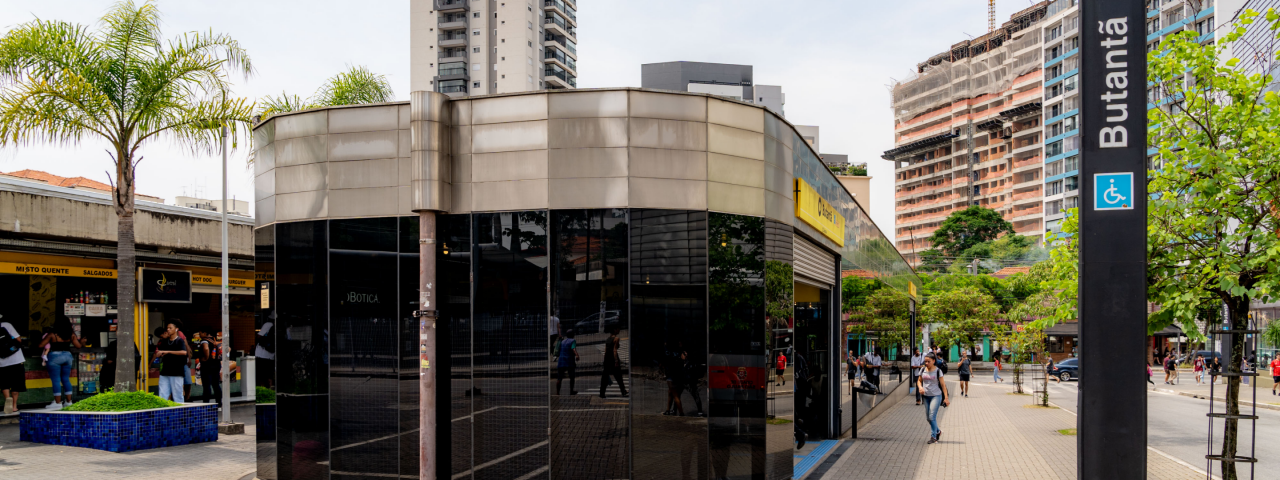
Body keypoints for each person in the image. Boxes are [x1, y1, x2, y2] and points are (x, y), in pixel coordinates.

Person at [38, 317, 82, 408]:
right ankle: (69, 402)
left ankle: (57, 403)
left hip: (55, 357)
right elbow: (78, 346)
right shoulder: (71, 334)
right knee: (66, 379)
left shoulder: (52, 334)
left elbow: (41, 345)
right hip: (67, 356)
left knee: (56, 380)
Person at [917, 353, 950, 444]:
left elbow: (943, 385)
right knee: (928, 418)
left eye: (929, 361)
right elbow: (919, 381)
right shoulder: (923, 369)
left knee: (932, 416)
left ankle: (933, 436)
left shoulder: (938, 371)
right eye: (925, 361)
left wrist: (946, 398)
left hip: (936, 396)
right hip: (926, 396)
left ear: (934, 361)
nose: (926, 363)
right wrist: (920, 387)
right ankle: (938, 431)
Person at [155, 321, 190, 403]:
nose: (168, 330)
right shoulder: (164, 341)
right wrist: (159, 354)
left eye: (170, 328)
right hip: (165, 370)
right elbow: (160, 351)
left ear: (176, 329)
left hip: (176, 371)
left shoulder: (179, 340)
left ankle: (180, 412)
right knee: (162, 393)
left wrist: (168, 352)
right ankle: (162, 411)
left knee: (178, 393)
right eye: (167, 328)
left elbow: (184, 352)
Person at [0, 316, 26, 414]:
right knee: (16, 383)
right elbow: (19, 340)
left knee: (4, 382)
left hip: (1, 362)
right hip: (16, 359)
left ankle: (8, 399)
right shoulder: (6, 325)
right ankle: (14, 406)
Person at [599, 325, 627, 398]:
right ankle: (623, 391)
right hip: (613, 358)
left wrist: (605, 360)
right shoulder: (616, 339)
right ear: (615, 330)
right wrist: (616, 361)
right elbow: (615, 350)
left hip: (607, 359)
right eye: (618, 329)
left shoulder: (608, 339)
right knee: (618, 376)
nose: (619, 330)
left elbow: (605, 351)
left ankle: (602, 393)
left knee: (605, 376)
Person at [197, 327, 223, 405]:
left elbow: (205, 349)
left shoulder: (204, 340)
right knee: (216, 385)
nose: (199, 335)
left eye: (200, 333)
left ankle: (206, 403)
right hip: (216, 365)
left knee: (206, 385)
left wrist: (206, 358)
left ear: (205, 333)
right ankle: (219, 403)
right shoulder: (215, 341)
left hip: (207, 366)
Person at [555, 329, 578, 395]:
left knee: (559, 378)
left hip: (561, 361)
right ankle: (571, 391)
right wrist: (577, 355)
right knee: (572, 377)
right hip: (569, 361)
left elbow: (559, 350)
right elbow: (573, 348)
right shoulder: (573, 341)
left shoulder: (562, 341)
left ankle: (557, 393)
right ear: (572, 335)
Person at [255, 317, 276, 390]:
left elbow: (259, 336)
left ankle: (263, 391)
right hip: (271, 355)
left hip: (262, 355)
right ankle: (270, 389)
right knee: (269, 375)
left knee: (261, 375)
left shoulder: (268, 324)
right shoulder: (281, 326)